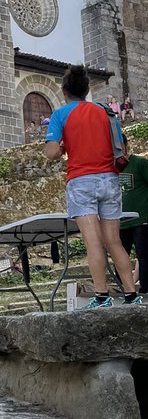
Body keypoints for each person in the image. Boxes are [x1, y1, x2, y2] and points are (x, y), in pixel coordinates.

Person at [44, 64, 140, 309]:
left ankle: (101, 296)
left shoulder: (61, 114)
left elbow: (51, 152)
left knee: (93, 242)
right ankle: (130, 293)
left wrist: (64, 146)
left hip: (81, 181)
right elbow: (118, 145)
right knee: (114, 240)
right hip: (109, 179)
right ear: (86, 90)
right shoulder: (106, 112)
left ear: (65, 92)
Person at [120, 144, 148, 296]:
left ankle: (145, 290)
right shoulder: (111, 168)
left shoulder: (139, 163)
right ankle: (125, 289)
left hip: (141, 219)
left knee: (143, 255)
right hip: (120, 221)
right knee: (120, 254)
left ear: (123, 147)